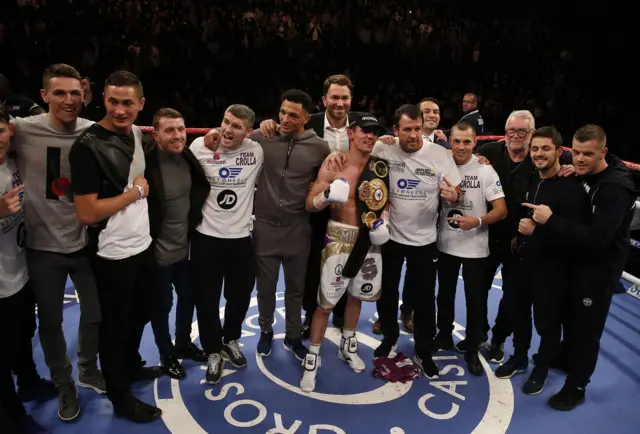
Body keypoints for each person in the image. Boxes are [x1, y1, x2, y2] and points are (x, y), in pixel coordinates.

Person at [202, 89, 329, 361]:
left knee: (296, 288)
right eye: (282, 112)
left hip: (298, 228)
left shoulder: (320, 147)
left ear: (307, 117)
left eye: (293, 115)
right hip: (265, 227)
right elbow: (230, 133)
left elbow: (332, 172)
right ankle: (266, 331)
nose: (285, 118)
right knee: (266, 288)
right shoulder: (262, 137)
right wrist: (211, 133)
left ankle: (293, 335)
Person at [69, 71, 163, 423]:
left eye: (127, 102)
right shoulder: (87, 146)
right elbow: (86, 211)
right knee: (115, 325)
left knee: (141, 314)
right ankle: (119, 395)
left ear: (141, 104)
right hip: (110, 254)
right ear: (103, 100)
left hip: (142, 245)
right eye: (113, 101)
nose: (120, 110)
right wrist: (135, 193)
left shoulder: (139, 134)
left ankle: (129, 367)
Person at [11, 64, 102, 422]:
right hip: (42, 247)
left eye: (75, 93)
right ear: (44, 96)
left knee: (95, 315)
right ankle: (65, 385)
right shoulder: (21, 130)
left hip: (84, 242)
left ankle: (88, 369)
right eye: (60, 93)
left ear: (84, 94)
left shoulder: (94, 132)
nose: (69, 100)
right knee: (50, 323)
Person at [524, 124, 638, 410]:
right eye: (575, 152)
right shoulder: (589, 172)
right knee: (570, 319)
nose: (579, 159)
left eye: (588, 154)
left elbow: (599, 238)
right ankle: (564, 358)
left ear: (604, 152)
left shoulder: (614, 189)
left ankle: (577, 386)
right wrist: (572, 168)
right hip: (578, 262)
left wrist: (551, 220)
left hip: (599, 268)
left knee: (587, 329)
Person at [260, 74, 362, 337]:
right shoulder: (307, 122)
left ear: (351, 100)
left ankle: (339, 314)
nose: (340, 103)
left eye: (345, 97)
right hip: (315, 207)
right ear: (324, 100)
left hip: (351, 211)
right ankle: (308, 314)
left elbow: (388, 143)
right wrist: (267, 123)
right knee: (312, 265)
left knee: (347, 261)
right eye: (335, 97)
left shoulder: (364, 124)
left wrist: (435, 136)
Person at [472, 110, 574, 363]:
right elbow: (455, 150)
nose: (515, 136)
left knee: (512, 296)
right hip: (486, 235)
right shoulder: (491, 152)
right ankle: (478, 333)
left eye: (522, 131)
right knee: (477, 289)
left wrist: (572, 166)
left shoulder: (541, 158)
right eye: (510, 131)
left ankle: (498, 339)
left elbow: (584, 157)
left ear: (532, 134)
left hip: (521, 241)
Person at [367, 104, 462, 378]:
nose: (413, 135)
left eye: (417, 129)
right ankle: (389, 338)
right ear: (396, 130)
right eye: (407, 129)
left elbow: (457, 190)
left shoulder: (440, 154)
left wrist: (454, 196)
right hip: (391, 237)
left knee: (424, 299)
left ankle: (423, 350)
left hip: (424, 240)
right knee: (386, 292)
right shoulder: (383, 149)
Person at [495, 126, 590, 395]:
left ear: (559, 152)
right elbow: (525, 216)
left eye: (545, 148)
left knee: (547, 323)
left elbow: (576, 236)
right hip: (523, 263)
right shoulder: (532, 180)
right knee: (518, 313)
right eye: (535, 148)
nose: (539, 153)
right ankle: (519, 357)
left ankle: (541, 369)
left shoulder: (573, 191)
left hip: (552, 269)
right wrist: (519, 236)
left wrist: (539, 231)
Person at [300, 112, 389, 392]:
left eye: (375, 132)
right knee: (325, 303)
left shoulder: (381, 167)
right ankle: (312, 357)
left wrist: (383, 222)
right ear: (351, 132)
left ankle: (347, 345)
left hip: (369, 240)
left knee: (357, 297)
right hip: (339, 237)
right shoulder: (334, 162)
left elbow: (384, 202)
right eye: (365, 130)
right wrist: (326, 197)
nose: (370, 136)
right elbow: (309, 204)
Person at [189, 104, 263, 384]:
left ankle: (230, 339)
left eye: (236, 126)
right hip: (206, 237)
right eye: (225, 122)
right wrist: (210, 133)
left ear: (248, 132)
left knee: (241, 296)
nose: (228, 130)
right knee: (206, 299)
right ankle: (212, 351)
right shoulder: (199, 146)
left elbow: (278, 134)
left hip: (241, 238)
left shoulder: (256, 151)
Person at [435, 122, 507, 376]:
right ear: (450, 141)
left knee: (476, 301)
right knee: (444, 294)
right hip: (445, 242)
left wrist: (477, 221)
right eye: (457, 141)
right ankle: (443, 336)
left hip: (475, 246)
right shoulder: (440, 163)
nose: (462, 147)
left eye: (467, 142)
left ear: (475, 142)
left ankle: (473, 349)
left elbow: (501, 210)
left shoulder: (485, 170)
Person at [145, 108, 209, 380]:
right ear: (156, 134)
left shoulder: (188, 157)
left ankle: (182, 343)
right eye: (169, 130)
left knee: (189, 297)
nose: (177, 135)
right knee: (161, 306)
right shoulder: (146, 163)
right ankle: (166, 353)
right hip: (158, 253)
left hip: (185, 249)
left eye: (181, 129)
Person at [0, 104, 49, 434]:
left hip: (20, 270)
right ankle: (10, 418)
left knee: (23, 337)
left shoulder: (14, 161)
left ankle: (29, 381)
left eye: (0, 130)